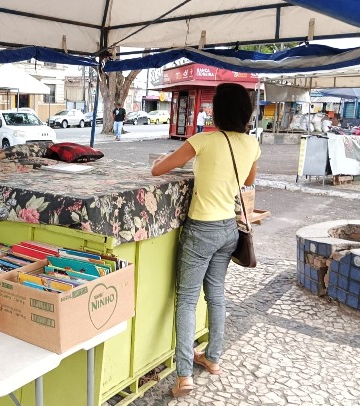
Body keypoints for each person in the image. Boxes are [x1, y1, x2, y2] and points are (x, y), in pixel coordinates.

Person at [150, 83, 261, 398]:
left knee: (186, 300)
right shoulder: (251, 144)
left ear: (216, 111)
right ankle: (212, 358)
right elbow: (249, 180)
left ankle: (184, 375)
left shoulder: (201, 140)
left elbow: (159, 169)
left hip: (201, 229)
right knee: (216, 296)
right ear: (246, 113)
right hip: (228, 229)